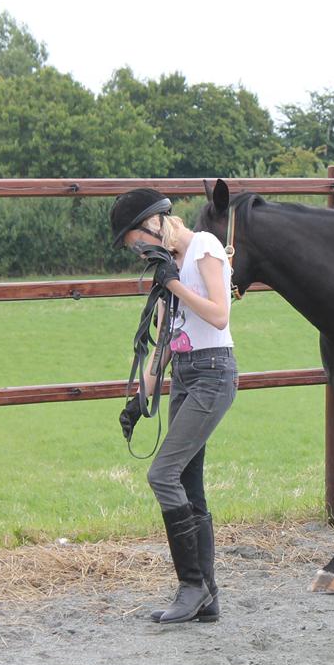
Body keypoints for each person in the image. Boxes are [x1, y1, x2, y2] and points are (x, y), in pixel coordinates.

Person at [109, 188, 238, 624]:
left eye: (139, 243)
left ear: (156, 223)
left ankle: (191, 585)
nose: (140, 252)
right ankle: (207, 595)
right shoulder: (168, 266)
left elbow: (220, 315)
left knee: (162, 474)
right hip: (184, 374)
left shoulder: (204, 247)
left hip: (213, 372)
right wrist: (141, 394)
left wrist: (175, 283)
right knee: (188, 483)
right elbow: (165, 340)